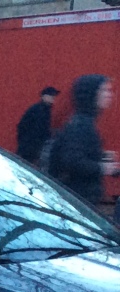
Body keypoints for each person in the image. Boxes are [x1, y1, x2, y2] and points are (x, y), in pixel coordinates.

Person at [48, 74, 117, 207]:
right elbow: (72, 160)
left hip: (79, 199)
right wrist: (102, 168)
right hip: (77, 200)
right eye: (104, 90)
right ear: (91, 94)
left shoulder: (83, 122)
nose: (109, 94)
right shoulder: (81, 125)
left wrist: (100, 155)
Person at [16, 86, 59, 165]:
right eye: (51, 96)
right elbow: (24, 126)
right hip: (30, 145)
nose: (53, 98)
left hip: (32, 145)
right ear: (44, 96)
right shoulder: (39, 110)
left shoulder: (44, 110)